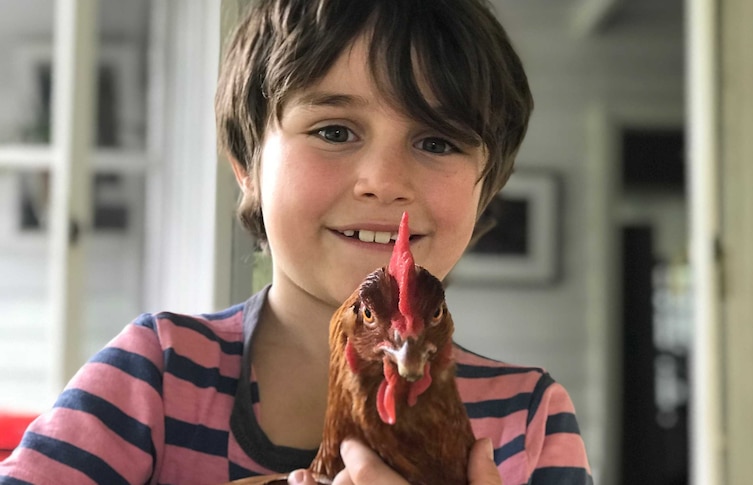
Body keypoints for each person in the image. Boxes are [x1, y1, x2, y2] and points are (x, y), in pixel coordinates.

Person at [0, 0, 592, 483]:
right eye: (334, 131)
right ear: (246, 165)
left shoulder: (528, 421)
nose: (385, 181)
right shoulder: (156, 375)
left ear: (488, 186)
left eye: (437, 143)